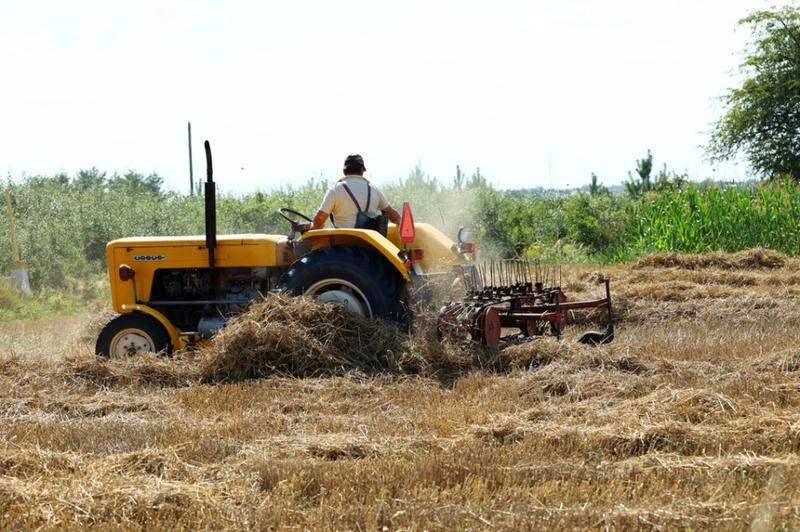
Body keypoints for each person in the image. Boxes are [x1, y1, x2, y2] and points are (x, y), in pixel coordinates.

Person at [312, 154, 401, 229]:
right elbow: (394, 216)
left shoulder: (336, 189)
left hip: (343, 244)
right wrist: (401, 224)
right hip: (370, 244)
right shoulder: (374, 189)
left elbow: (320, 218)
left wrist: (313, 227)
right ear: (362, 170)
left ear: (344, 170)